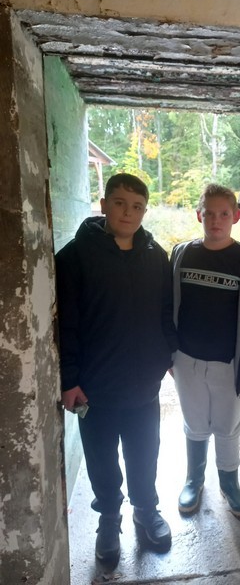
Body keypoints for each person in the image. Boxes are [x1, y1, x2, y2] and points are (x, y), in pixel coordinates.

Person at [55, 173, 177, 562]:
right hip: (95, 387)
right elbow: (65, 325)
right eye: (120, 203)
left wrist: (166, 359)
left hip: (143, 385)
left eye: (137, 206)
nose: (128, 212)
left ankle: (145, 510)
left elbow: (166, 315)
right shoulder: (73, 258)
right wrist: (69, 379)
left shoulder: (156, 257)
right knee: (101, 458)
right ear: (104, 204)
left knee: (145, 452)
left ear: (144, 211)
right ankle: (109, 517)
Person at [170, 183, 240, 517]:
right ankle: (193, 480)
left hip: (230, 365)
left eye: (224, 214)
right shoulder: (182, 255)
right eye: (209, 213)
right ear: (199, 215)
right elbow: (167, 307)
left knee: (227, 425)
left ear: (236, 217)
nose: (216, 220)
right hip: (186, 360)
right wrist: (168, 354)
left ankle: (229, 482)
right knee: (194, 422)